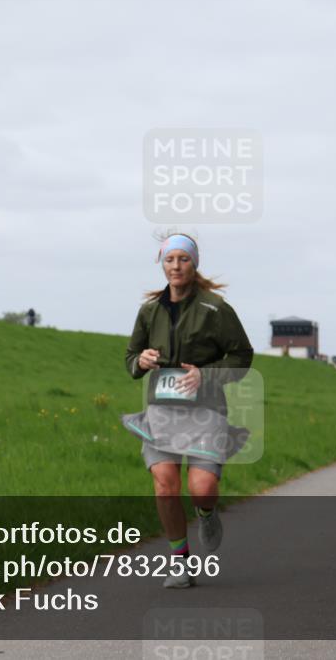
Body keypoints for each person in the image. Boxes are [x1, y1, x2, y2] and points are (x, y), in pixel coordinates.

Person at [123, 233, 253, 588]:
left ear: (194, 263)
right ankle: (180, 562)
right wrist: (141, 361)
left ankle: (206, 513)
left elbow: (242, 356)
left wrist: (205, 375)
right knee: (165, 486)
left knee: (202, 488)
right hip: (161, 410)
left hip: (206, 409)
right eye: (169, 259)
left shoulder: (216, 309)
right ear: (161, 263)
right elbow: (131, 357)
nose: (176, 266)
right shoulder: (149, 311)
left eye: (183, 259)